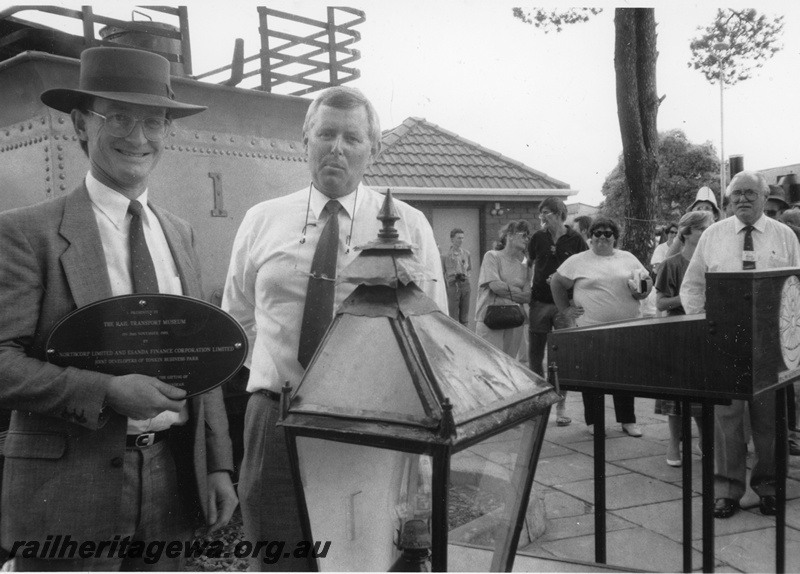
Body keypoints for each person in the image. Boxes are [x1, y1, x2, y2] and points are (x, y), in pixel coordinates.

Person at [0, 47, 237, 570]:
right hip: (67, 491)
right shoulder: (25, 233)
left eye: (154, 121)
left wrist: (217, 464)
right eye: (120, 117)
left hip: (172, 476)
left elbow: (203, 357)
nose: (138, 137)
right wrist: (106, 391)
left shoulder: (179, 233)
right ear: (82, 124)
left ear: (168, 131)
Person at [222, 86, 447, 571]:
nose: (337, 147)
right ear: (305, 139)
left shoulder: (409, 227)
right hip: (274, 420)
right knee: (278, 557)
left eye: (352, 137)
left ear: (374, 149)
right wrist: (286, 375)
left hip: (367, 422)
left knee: (357, 557)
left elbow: (432, 333)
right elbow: (238, 320)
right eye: (325, 133)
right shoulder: (261, 220)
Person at [681, 170, 800, 519]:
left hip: (771, 343)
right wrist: (705, 325)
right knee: (726, 420)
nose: (743, 199)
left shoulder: (785, 236)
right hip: (726, 340)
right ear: (729, 199)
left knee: (770, 421)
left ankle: (769, 488)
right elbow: (692, 285)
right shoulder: (713, 236)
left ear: (764, 198)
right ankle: (727, 491)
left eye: (750, 193)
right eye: (736, 194)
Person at [550, 217, 652, 437]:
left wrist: (643, 291)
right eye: (598, 233)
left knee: (624, 375)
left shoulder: (628, 258)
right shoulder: (578, 260)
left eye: (608, 233)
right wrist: (565, 309)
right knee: (592, 375)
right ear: (591, 236)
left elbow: (645, 283)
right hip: (591, 329)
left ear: (615, 237)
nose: (603, 237)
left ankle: (628, 420)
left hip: (626, 328)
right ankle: (594, 422)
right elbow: (556, 282)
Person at [654, 211, 714, 466]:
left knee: (704, 389)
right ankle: (673, 443)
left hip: (705, 333)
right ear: (687, 233)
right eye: (702, 229)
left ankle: (705, 440)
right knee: (674, 393)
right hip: (677, 333)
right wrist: (688, 298)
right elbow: (661, 303)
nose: (707, 234)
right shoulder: (672, 264)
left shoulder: (714, 262)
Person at [528, 197, 588, 426]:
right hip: (540, 303)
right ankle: (538, 403)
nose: (543, 217)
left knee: (562, 356)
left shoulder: (575, 240)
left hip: (564, 306)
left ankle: (561, 406)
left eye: (547, 212)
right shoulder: (537, 238)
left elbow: (584, 269)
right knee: (535, 354)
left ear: (560, 213)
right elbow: (530, 265)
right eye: (541, 212)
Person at [475, 221, 532, 356]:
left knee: (510, 365)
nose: (527, 239)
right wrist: (517, 291)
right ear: (510, 236)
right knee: (488, 364)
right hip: (490, 319)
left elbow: (528, 296)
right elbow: (495, 286)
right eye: (523, 235)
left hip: (514, 321)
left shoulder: (525, 267)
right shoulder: (492, 256)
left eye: (528, 236)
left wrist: (504, 288)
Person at [442, 227, 472, 327]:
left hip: (465, 284)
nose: (461, 240)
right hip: (453, 284)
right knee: (453, 315)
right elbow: (442, 273)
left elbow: (469, 269)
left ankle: (466, 338)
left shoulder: (466, 253)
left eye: (462, 238)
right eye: (458, 238)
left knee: (465, 315)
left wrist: (466, 275)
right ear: (452, 239)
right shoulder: (445, 255)